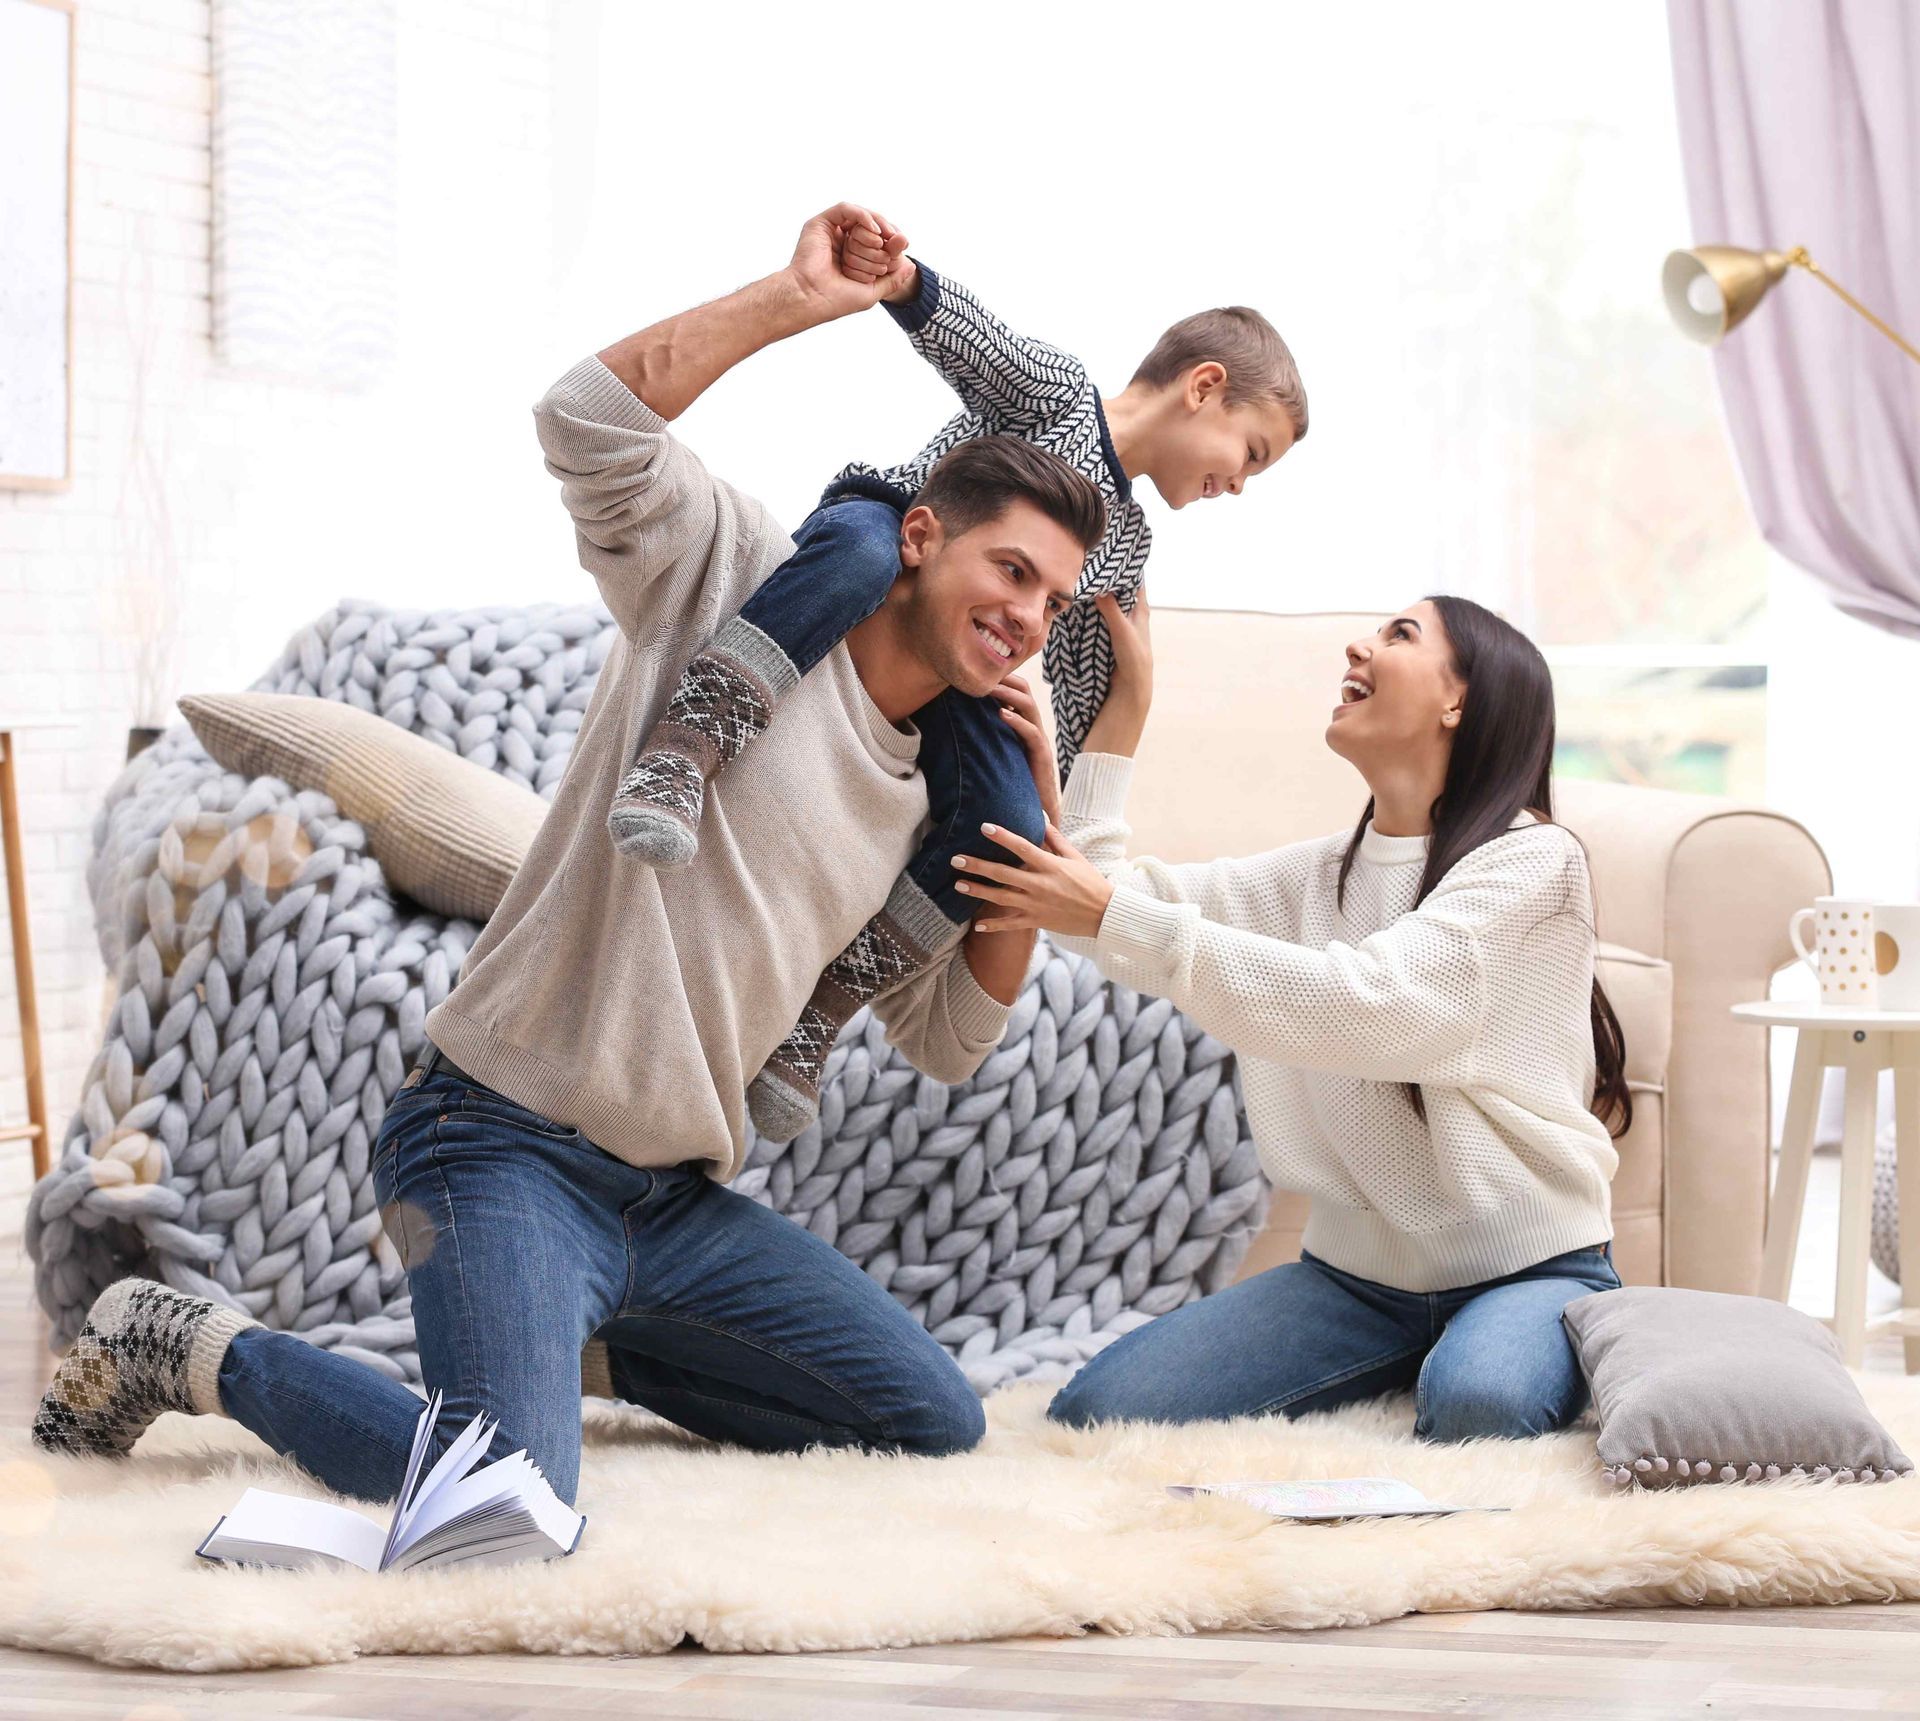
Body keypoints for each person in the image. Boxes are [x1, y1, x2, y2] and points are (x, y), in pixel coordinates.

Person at [33, 204, 1106, 1506]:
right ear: (923, 539)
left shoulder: (948, 782)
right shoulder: (738, 575)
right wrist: (791, 300)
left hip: (670, 1205)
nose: (1027, 619)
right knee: (500, 1504)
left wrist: (1030, 823)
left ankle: (567, 1341)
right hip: (495, 1143)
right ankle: (186, 1342)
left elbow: (949, 1040)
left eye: (1054, 601)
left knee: (927, 1417)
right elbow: (584, 419)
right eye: (1012, 570)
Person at [608, 211, 1310, 1142]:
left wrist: (1127, 705)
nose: (1240, 486)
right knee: (861, 557)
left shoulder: (1124, 549)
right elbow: (982, 346)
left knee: (1011, 828)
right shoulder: (1057, 396)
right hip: (890, 538)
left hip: (960, 670)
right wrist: (897, 279)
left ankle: (821, 1012)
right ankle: (682, 751)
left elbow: (1084, 692)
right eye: (1249, 454)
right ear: (1205, 388)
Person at [963, 590, 1632, 1441]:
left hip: (1527, 1269)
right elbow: (1106, 916)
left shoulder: (1536, 862)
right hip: (1352, 1285)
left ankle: (1504, 1347)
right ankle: (1415, 1362)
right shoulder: (1316, 877)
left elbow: (1377, 1006)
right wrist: (1121, 715)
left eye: (1399, 634)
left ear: (1459, 699)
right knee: (1100, 1412)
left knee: (1480, 1407)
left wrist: (1111, 916)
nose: (1358, 646)